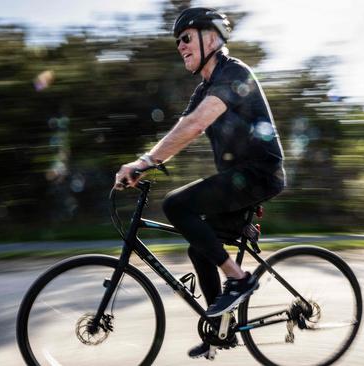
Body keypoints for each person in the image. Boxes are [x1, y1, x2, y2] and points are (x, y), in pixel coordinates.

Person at [114, 7, 286, 359]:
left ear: (211, 38)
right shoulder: (205, 89)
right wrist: (144, 165)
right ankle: (220, 331)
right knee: (199, 247)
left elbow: (194, 126)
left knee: (177, 204)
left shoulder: (234, 73)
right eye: (177, 41)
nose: (180, 46)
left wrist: (145, 163)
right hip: (238, 180)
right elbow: (182, 130)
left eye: (186, 37)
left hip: (259, 174)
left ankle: (239, 279)